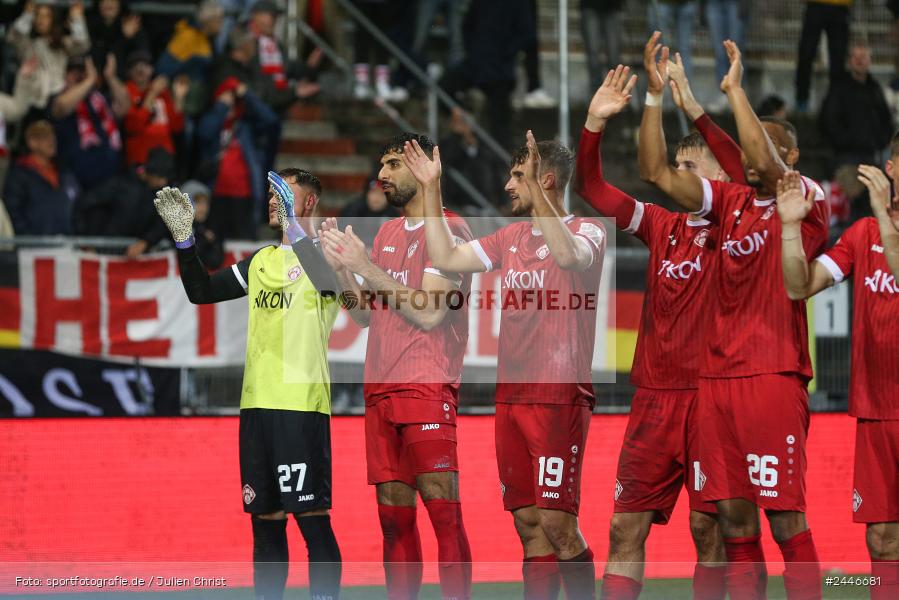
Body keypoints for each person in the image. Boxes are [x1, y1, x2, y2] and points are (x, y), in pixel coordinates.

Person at [640, 40, 828, 599]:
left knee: (785, 522)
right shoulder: (729, 203)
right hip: (716, 384)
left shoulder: (804, 196)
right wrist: (664, 100)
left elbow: (764, 164)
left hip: (772, 375)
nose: (751, 151)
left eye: (768, 143)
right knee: (735, 526)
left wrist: (731, 93)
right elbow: (653, 172)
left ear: (791, 156)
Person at [403, 130, 605, 599]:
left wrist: (543, 205)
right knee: (529, 524)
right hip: (511, 398)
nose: (508, 185)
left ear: (545, 178)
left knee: (558, 523)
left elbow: (566, 256)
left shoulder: (587, 231)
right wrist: (432, 189)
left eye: (519, 176)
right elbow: (445, 255)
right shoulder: (509, 237)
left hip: (558, 396)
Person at [584, 56, 739, 600]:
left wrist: (691, 106)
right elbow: (594, 190)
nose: (680, 175)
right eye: (678, 166)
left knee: (709, 529)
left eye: (692, 168)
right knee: (624, 527)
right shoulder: (661, 224)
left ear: (721, 177)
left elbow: (738, 168)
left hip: (710, 399)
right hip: (653, 399)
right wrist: (595, 125)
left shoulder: (737, 222)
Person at [154, 168, 348, 600]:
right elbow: (200, 291)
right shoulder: (261, 261)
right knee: (265, 523)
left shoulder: (329, 253)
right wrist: (185, 241)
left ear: (309, 203)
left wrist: (298, 230)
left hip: (301, 406)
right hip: (256, 407)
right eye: (272, 193)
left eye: (285, 192)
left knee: (313, 521)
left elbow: (332, 286)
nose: (273, 199)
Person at [321, 133, 474, 600]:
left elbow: (429, 312)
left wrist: (365, 267)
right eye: (381, 165)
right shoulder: (387, 233)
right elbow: (364, 313)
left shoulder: (450, 231)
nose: (381, 176)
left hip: (426, 385)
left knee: (442, 511)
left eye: (392, 164)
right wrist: (343, 271)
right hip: (381, 388)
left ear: (422, 168)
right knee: (392, 518)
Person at [777, 161, 899, 600]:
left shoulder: (878, 224)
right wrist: (791, 230)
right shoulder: (862, 233)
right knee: (883, 540)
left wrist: (885, 214)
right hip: (877, 413)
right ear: (891, 166)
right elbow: (799, 286)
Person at [196, 75, 278, 240]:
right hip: (215, 193)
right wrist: (221, 108)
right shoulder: (212, 118)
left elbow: (271, 121)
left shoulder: (247, 124)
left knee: (243, 244)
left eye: (234, 97)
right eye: (226, 95)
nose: (231, 100)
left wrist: (248, 95)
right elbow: (204, 133)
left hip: (244, 195)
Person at [75, 146, 173, 258]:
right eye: (160, 177)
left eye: (166, 178)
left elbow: (165, 221)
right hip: (104, 255)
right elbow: (85, 204)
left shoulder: (162, 192)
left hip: (134, 258)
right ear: (149, 172)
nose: (163, 182)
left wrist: (146, 241)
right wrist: (86, 241)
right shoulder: (122, 184)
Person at [50, 55, 130, 191]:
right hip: (77, 177)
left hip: (110, 172)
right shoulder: (58, 98)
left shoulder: (99, 98)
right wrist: (89, 80)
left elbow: (125, 105)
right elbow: (62, 106)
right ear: (65, 75)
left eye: (82, 72)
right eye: (73, 72)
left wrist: (110, 77)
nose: (79, 76)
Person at [6, 0, 91, 110]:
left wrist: (77, 18)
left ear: (53, 20)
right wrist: (27, 14)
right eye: (37, 15)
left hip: (58, 99)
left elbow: (83, 45)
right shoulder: (27, 44)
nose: (41, 19)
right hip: (32, 102)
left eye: (46, 16)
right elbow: (13, 37)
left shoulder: (62, 43)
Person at [819, 42, 893, 168]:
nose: (859, 60)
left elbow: (886, 119)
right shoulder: (839, 88)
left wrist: (880, 141)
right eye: (855, 57)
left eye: (863, 56)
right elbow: (829, 120)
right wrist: (845, 142)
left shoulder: (875, 88)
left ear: (870, 60)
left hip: (873, 156)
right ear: (849, 61)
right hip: (845, 157)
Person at [3, 120, 80, 236]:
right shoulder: (18, 176)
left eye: (52, 136)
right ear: (31, 142)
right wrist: (29, 238)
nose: (52, 140)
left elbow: (78, 207)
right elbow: (13, 213)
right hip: (32, 248)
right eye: (45, 136)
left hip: (66, 245)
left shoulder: (64, 173)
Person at [123, 50, 188, 167]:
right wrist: (152, 93)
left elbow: (176, 126)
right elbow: (134, 127)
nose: (140, 69)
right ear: (129, 72)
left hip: (166, 157)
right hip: (142, 159)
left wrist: (178, 98)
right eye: (135, 66)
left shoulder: (162, 93)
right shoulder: (126, 92)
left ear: (152, 69)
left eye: (145, 65)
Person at [795, 0, 852, 113]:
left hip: (840, 6)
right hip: (815, 5)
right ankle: (802, 100)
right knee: (806, 54)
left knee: (838, 61)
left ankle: (836, 103)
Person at [87, 0, 151, 80]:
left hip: (125, 83)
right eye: (103, 1)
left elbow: (143, 60)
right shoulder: (91, 23)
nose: (108, 3)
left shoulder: (132, 23)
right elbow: (97, 56)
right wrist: (124, 38)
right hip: (96, 81)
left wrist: (126, 37)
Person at [338, 177, 398, 249]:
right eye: (373, 192)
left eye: (382, 194)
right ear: (366, 194)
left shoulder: (393, 215)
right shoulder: (353, 211)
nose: (377, 197)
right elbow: (342, 238)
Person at [579, 0, 624, 90]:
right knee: (593, 53)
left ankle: (614, 90)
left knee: (614, 55)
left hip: (612, 7)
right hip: (590, 6)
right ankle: (596, 92)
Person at [181, 179, 224, 269]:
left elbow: (215, 261)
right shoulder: (177, 229)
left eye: (205, 202)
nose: (203, 207)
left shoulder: (211, 225)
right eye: (197, 202)